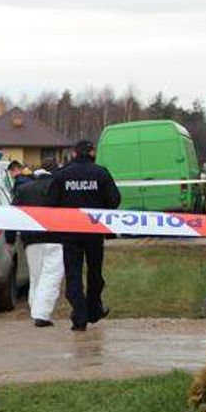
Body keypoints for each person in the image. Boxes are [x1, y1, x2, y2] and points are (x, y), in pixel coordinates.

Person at [46, 139, 121, 331]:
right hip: (94, 232)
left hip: (70, 233)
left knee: (73, 276)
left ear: (74, 153)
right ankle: (93, 310)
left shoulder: (62, 175)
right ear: (92, 153)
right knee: (95, 273)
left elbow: (50, 203)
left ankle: (80, 317)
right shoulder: (101, 173)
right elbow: (114, 200)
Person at [8, 161, 63, 327]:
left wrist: (9, 239)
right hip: (56, 238)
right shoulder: (60, 189)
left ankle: (36, 311)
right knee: (52, 275)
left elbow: (12, 215)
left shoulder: (24, 189)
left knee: (36, 276)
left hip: (31, 240)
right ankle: (42, 314)